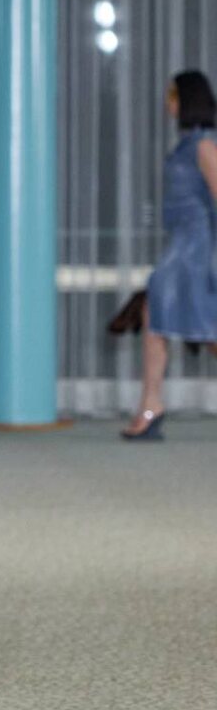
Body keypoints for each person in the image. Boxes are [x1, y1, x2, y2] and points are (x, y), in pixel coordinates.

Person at [121, 71, 217, 440]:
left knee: (183, 320)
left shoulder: (203, 146)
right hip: (182, 241)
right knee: (160, 316)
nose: (167, 102)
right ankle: (151, 405)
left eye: (172, 95)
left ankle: (151, 406)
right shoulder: (187, 144)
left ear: (187, 99)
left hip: (193, 247)